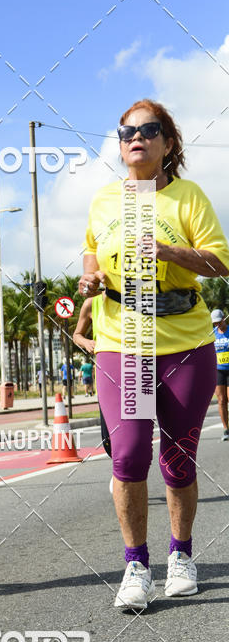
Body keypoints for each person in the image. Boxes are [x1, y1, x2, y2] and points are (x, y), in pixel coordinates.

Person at [79, 99, 229, 611]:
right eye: (126, 131)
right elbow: (91, 250)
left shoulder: (188, 197)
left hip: (184, 340)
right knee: (127, 455)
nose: (136, 137)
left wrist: (168, 252)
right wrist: (92, 275)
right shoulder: (103, 200)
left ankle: (181, 554)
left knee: (179, 457)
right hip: (125, 340)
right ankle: (136, 564)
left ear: (168, 143)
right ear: (120, 145)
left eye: (149, 129)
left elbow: (219, 263)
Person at [72, 296, 112, 474]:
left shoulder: (140, 296)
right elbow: (77, 335)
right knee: (109, 438)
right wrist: (87, 342)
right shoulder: (92, 304)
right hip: (108, 376)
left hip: (140, 374)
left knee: (139, 437)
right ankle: (122, 470)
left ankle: (128, 474)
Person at [212, 309, 229, 441]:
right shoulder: (212, 334)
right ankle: (226, 429)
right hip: (219, 370)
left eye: (219, 322)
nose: (217, 325)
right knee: (221, 400)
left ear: (224, 319)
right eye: (215, 323)